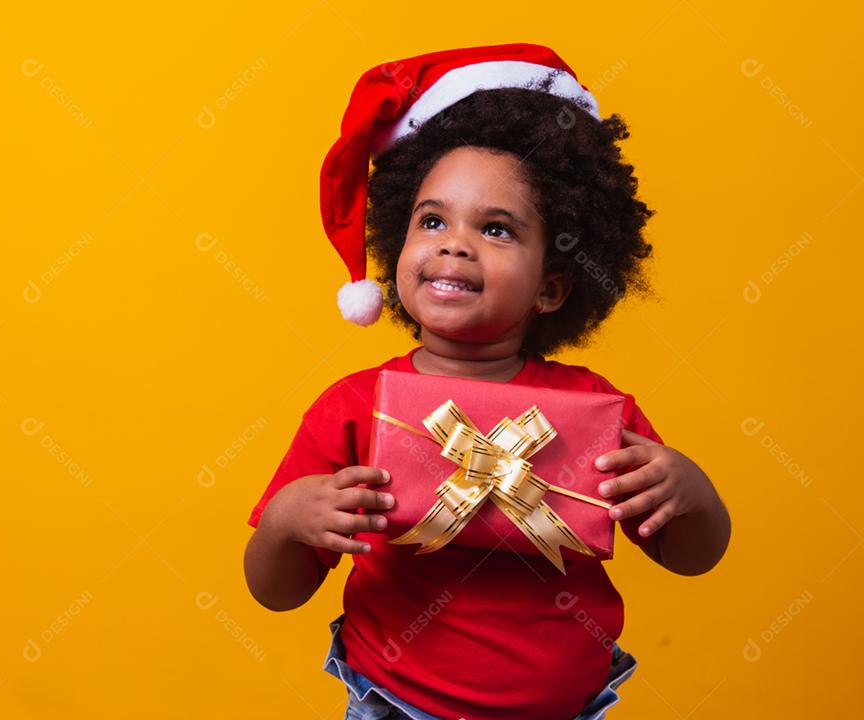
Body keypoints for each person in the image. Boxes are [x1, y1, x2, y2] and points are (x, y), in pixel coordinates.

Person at [243, 43, 731, 720]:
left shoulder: (592, 406)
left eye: (496, 229)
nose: (454, 243)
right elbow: (274, 591)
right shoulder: (354, 406)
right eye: (432, 220)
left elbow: (691, 556)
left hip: (570, 707)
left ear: (552, 288)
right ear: (398, 244)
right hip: (395, 702)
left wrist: (691, 492)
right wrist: (291, 521)